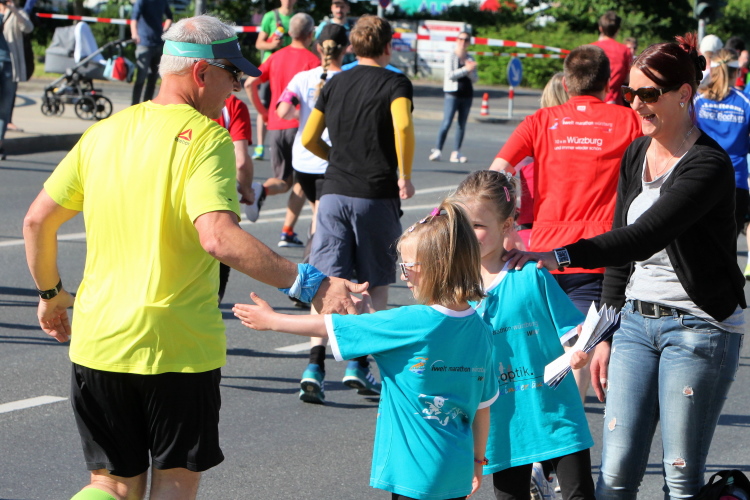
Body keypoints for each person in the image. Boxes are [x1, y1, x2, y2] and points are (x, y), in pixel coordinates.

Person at [22, 15, 365, 500]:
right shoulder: (206, 138)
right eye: (233, 75)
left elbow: (37, 222)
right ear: (202, 72)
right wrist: (313, 283)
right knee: (174, 485)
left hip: (98, 342)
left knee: (110, 485)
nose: (237, 88)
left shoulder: (104, 132)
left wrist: (51, 295)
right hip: (177, 348)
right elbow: (219, 238)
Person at [505, 33, 746, 500]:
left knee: (680, 478)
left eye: (649, 94)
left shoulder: (709, 165)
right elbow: (623, 252)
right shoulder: (637, 152)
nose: (636, 104)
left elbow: (645, 235)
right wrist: (604, 334)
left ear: (684, 94)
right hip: (635, 322)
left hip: (697, 328)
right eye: (629, 92)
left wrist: (556, 254)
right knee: (614, 476)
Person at [233, 201, 499, 500]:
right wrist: (477, 463)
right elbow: (482, 407)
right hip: (457, 470)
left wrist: (273, 321)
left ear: (436, 269)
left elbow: (329, 326)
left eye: (407, 267)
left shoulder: (410, 321)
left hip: (414, 474)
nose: (403, 276)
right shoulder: (480, 328)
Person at [489, 44, 641, 398]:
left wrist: (506, 226)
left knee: (540, 352)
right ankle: (571, 428)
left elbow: (496, 173)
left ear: (566, 83)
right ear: (609, 83)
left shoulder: (540, 121)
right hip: (597, 255)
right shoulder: (629, 121)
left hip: (541, 255)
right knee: (579, 351)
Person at [452, 169, 595, 500]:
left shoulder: (531, 275)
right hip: (502, 424)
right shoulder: (455, 290)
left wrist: (578, 352)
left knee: (579, 494)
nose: (468, 234)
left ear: (506, 226)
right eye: (462, 225)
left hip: (556, 413)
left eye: (478, 225)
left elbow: (572, 335)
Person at [299, 14, 416, 404]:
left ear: (353, 46)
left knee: (327, 282)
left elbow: (309, 137)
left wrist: (336, 159)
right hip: (375, 193)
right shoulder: (396, 83)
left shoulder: (335, 81)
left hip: (334, 192)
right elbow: (402, 127)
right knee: (374, 283)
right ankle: (358, 362)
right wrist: (404, 175)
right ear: (388, 47)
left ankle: (314, 366)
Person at [247, 12, 320, 248]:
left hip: (276, 125)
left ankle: (267, 197)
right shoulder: (313, 61)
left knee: (286, 181)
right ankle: (300, 232)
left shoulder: (276, 56)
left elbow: (250, 82)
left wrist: (264, 112)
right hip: (299, 127)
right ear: (311, 34)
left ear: (290, 32)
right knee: (305, 181)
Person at [276, 23, 348, 258]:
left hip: (303, 159)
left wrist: (302, 117)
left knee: (318, 210)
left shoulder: (302, 77)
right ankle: (312, 262)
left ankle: (317, 258)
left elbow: (282, 110)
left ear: (318, 48)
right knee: (321, 216)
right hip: (329, 159)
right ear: (346, 48)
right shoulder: (347, 80)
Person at [694, 49, 750, 277]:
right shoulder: (745, 102)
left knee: (698, 246)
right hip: (735, 181)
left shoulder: (697, 100)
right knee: (726, 249)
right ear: (737, 72)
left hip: (699, 178)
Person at [214, 94, 263, 301]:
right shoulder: (232, 106)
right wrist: (247, 190)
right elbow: (241, 161)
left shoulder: (168, 105)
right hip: (217, 198)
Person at [516, 72, 568, 250]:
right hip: (569, 225)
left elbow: (503, 169)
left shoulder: (534, 129)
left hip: (531, 226)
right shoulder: (581, 138)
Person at [251, 0, 296, 160]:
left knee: (289, 106)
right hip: (270, 68)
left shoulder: (297, 18)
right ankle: (260, 146)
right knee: (264, 106)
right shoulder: (271, 16)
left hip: (290, 67)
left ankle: (286, 145)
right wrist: (272, 45)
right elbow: (259, 43)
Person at [428, 31, 477, 164]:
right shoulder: (451, 56)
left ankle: (456, 152)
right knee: (447, 122)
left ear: (469, 42)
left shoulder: (470, 58)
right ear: (456, 40)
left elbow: (475, 78)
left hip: (467, 94)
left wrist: (470, 71)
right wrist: (466, 69)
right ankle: (437, 150)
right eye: (460, 39)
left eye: (466, 40)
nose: (463, 42)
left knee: (462, 124)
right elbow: (450, 75)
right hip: (452, 94)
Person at [129, 0, 173, 105]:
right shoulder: (142, 1)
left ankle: (146, 105)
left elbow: (169, 17)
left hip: (158, 43)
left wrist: (164, 31)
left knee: (153, 79)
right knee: (140, 78)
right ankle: (134, 106)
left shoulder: (162, 1)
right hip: (144, 43)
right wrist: (134, 34)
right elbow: (134, 19)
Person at [1, 0, 32, 133]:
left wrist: (14, 10)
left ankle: (2, 136)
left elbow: (28, 28)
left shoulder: (18, 12)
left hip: (11, 62)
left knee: (7, 100)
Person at [592, 11, 632, 105]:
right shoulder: (625, 50)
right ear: (617, 30)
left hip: (594, 101)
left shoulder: (590, 48)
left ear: (600, 28)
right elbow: (628, 79)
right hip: (615, 101)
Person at [314, 0, 355, 65]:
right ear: (332, 8)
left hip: (351, 65)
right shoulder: (324, 26)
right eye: (336, 7)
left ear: (348, 8)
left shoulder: (353, 27)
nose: (339, 10)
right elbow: (316, 46)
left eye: (342, 7)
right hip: (330, 65)